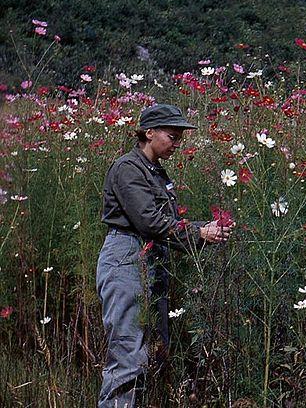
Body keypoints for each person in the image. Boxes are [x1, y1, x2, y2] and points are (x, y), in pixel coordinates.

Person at [96, 103, 231, 407]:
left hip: (149, 260)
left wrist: (205, 231)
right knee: (127, 356)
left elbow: (165, 224)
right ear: (149, 132)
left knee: (148, 356)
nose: (177, 143)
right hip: (126, 258)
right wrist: (199, 232)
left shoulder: (156, 172)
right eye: (173, 136)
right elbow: (150, 222)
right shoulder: (127, 168)